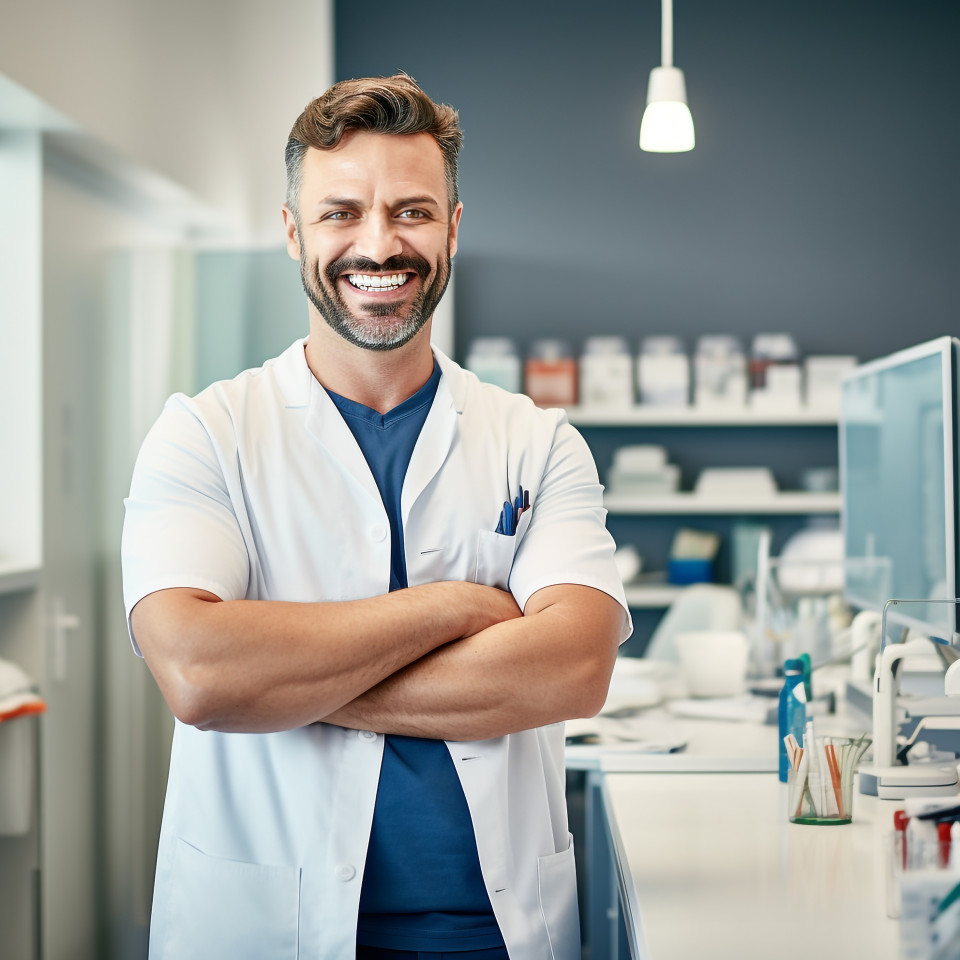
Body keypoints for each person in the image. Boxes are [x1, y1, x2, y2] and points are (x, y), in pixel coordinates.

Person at [121, 73, 631, 960]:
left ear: (454, 227)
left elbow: (575, 668)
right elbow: (201, 675)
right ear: (292, 233)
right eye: (340, 213)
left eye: (412, 211)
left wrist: (286, 685)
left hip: (493, 934)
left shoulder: (537, 442)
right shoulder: (204, 434)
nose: (378, 243)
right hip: (263, 928)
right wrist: (459, 607)